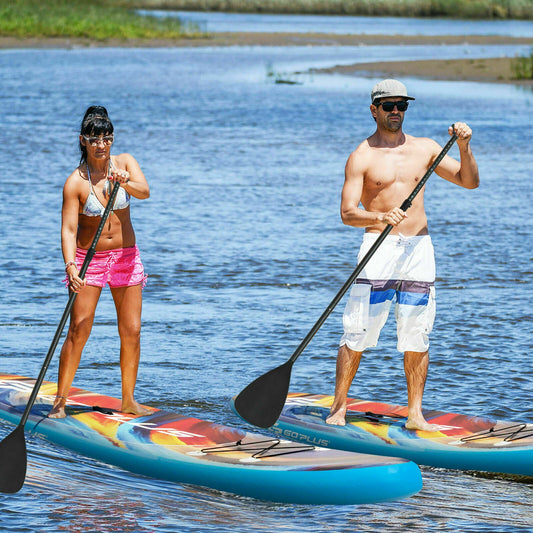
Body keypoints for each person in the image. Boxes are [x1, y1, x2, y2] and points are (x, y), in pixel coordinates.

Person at [326, 79, 479, 431]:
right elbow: (347, 213)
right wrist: (379, 216)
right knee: (359, 330)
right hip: (379, 248)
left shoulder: (426, 149)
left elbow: (469, 182)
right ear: (374, 110)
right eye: (389, 105)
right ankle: (338, 407)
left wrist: (466, 147)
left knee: (417, 332)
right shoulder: (361, 156)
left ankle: (415, 414)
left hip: (419, 249)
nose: (396, 111)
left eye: (402, 105)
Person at [49, 105, 151, 418]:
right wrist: (70, 268)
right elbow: (68, 230)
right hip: (87, 261)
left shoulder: (125, 163)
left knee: (131, 330)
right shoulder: (75, 182)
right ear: (83, 140)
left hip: (126, 257)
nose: (101, 145)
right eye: (94, 139)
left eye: (106, 138)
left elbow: (145, 192)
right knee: (79, 328)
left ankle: (129, 401)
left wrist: (125, 183)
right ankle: (60, 402)